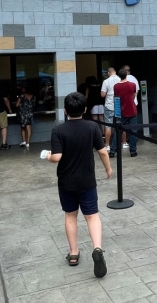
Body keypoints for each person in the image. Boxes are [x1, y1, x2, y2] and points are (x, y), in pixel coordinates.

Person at [44, 92, 113, 278]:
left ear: (65, 111)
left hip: (66, 181)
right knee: (92, 216)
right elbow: (102, 152)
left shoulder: (58, 130)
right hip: (87, 181)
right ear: (84, 109)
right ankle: (97, 249)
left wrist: (48, 156)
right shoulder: (92, 127)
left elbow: (56, 157)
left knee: (70, 215)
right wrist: (108, 169)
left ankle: (73, 253)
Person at [112, 68, 139, 157]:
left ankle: (113, 151)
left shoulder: (116, 86)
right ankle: (133, 151)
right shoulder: (132, 85)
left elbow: (116, 97)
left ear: (119, 76)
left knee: (118, 131)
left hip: (121, 111)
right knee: (133, 131)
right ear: (126, 75)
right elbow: (134, 95)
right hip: (132, 109)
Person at [100, 66, 120, 150]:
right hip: (119, 104)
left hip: (109, 105)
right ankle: (123, 142)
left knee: (108, 126)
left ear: (108, 73)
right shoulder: (120, 79)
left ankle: (107, 144)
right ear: (115, 72)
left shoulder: (106, 81)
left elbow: (102, 94)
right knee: (120, 125)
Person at [121, 65, 140, 148]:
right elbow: (137, 91)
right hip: (133, 105)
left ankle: (122, 143)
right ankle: (133, 147)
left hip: (124, 106)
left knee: (121, 126)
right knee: (133, 128)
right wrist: (133, 98)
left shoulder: (121, 79)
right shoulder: (134, 79)